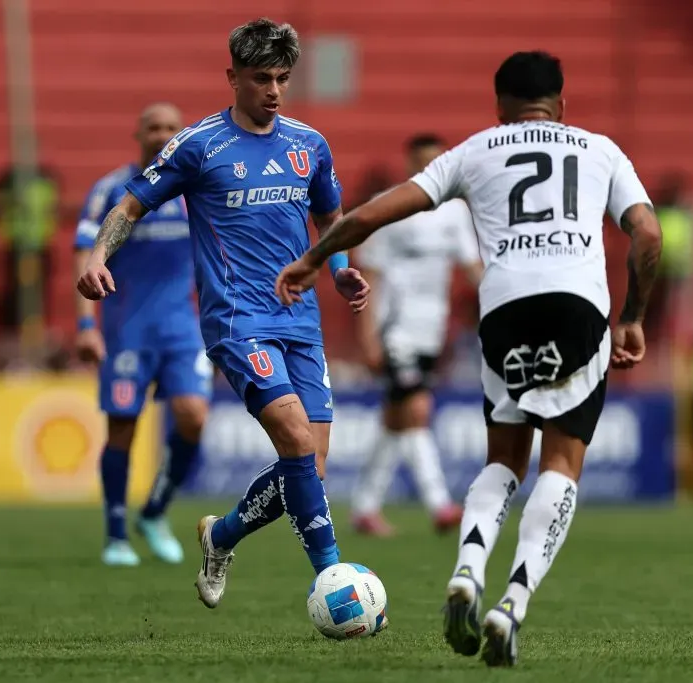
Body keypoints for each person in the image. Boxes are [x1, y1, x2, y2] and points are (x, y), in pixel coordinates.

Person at [276, 51, 661, 666]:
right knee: (561, 463)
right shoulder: (601, 150)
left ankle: (466, 573)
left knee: (503, 459)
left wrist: (315, 258)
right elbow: (647, 233)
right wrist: (634, 318)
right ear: (561, 104)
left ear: (499, 105)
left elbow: (376, 211)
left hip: (504, 309)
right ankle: (511, 604)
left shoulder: (475, 151)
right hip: (576, 309)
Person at [77, 19, 370, 608]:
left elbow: (331, 220)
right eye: (262, 78)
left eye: (283, 79)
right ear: (232, 77)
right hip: (236, 321)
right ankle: (334, 577)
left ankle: (222, 534)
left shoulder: (308, 145)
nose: (274, 90)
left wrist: (340, 271)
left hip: (301, 322)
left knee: (308, 463)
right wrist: (96, 255)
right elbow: (130, 205)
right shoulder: (198, 145)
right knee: (291, 433)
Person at [74, 102, 214, 567]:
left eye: (171, 127)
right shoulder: (113, 190)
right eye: (154, 127)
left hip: (182, 328)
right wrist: (86, 325)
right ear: (138, 133)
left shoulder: (194, 191)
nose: (162, 134)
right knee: (122, 429)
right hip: (127, 330)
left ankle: (154, 511)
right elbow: (85, 255)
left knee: (193, 415)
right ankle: (116, 535)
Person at [351, 133, 483, 536]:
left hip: (432, 329)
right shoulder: (391, 208)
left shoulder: (455, 213)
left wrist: (504, 303)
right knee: (417, 410)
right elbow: (367, 275)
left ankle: (365, 508)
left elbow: (473, 267)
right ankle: (440, 504)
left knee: (396, 418)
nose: (430, 169)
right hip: (395, 327)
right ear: (410, 163)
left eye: (436, 162)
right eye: (422, 162)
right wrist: (368, 336)